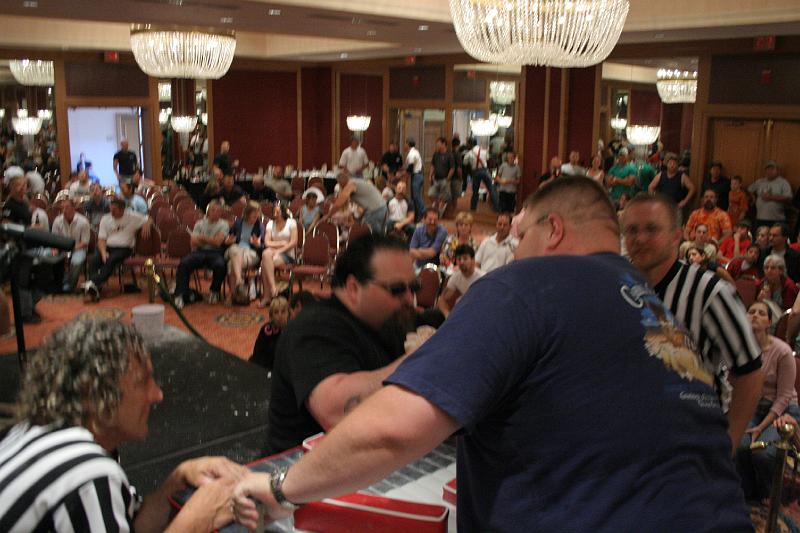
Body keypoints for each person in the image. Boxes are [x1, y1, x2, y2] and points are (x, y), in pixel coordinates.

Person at [233, 177, 753, 532]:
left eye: (520, 235)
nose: (514, 252)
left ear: (552, 230)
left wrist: (279, 488)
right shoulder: (651, 304)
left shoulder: (525, 285)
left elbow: (393, 429)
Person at [0, 319, 245, 532]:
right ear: (93, 393)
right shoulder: (85, 472)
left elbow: (133, 524)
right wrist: (197, 520)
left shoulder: (34, 432)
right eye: (142, 381)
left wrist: (175, 483)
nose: (157, 395)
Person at [622, 194, 762, 448]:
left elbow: (749, 372)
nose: (640, 239)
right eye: (632, 230)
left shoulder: (711, 292)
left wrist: (728, 445)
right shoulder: (618, 287)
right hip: (632, 437)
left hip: (690, 442)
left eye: (652, 229)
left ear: (677, 236)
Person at [265, 234, 417, 453]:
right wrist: (419, 359)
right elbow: (335, 412)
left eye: (414, 288)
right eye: (397, 289)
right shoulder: (314, 326)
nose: (409, 298)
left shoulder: (389, 319)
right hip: (299, 467)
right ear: (353, 288)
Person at [736, 301, 800, 501]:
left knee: (762, 453)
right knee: (740, 446)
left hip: (783, 410)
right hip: (754, 407)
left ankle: (768, 494)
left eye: (761, 313)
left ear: (769, 322)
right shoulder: (739, 349)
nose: (755, 315)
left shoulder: (782, 351)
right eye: (751, 311)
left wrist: (761, 427)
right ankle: (748, 494)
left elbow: (784, 396)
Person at [84, 199, 153, 302]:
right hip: (106, 246)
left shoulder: (133, 216)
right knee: (94, 260)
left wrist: (147, 224)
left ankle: (92, 284)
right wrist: (103, 253)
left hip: (124, 248)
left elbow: (150, 218)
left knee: (111, 260)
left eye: (114, 210)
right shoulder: (105, 219)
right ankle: (94, 288)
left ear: (122, 210)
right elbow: (101, 240)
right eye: (111, 209)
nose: (111, 212)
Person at [173, 200, 229, 308]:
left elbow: (218, 242)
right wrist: (211, 239)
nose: (216, 212)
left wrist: (202, 238)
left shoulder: (224, 224)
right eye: (213, 210)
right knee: (184, 263)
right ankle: (180, 294)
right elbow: (193, 242)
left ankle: (214, 291)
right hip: (199, 251)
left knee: (221, 265)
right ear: (208, 212)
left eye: (218, 211)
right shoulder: (199, 223)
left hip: (216, 252)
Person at [258, 202, 298, 308]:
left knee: (264, 263)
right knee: (266, 253)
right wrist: (281, 243)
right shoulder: (270, 223)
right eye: (274, 211)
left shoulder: (291, 222)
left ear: (283, 212)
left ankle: (267, 296)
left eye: (278, 211)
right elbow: (267, 242)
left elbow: (293, 242)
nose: (275, 214)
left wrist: (279, 250)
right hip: (272, 253)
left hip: (288, 254)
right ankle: (273, 288)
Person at [224, 202, 262, 301]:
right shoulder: (238, 223)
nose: (256, 215)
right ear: (247, 213)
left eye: (257, 212)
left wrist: (257, 244)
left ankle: (233, 295)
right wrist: (228, 241)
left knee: (231, 263)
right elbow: (229, 238)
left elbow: (263, 246)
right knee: (235, 249)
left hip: (250, 253)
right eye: (254, 213)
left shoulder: (259, 226)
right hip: (234, 250)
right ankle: (239, 280)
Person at [328, 170, 387, 235]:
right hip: (382, 208)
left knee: (365, 232)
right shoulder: (357, 183)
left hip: (375, 210)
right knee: (377, 233)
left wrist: (328, 215)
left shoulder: (350, 184)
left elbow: (339, 203)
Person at [52, 198, 91, 293]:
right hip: (62, 248)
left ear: (73, 208)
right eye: (62, 208)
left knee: (76, 262)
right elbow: (54, 239)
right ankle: (57, 284)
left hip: (79, 248)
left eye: (67, 207)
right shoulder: (57, 221)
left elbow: (85, 242)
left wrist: (71, 250)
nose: (64, 210)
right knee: (50, 257)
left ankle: (70, 286)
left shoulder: (83, 221)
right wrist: (55, 250)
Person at [437, 244, 483, 317]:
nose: (461, 262)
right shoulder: (455, 277)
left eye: (465, 258)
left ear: (473, 260)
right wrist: (447, 315)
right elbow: (441, 300)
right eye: (459, 259)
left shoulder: (482, 278)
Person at [647, 152, 695, 221]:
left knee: (676, 225)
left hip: (676, 208)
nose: (672, 165)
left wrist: (684, 202)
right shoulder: (661, 174)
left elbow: (692, 188)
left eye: (674, 163)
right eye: (670, 163)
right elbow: (650, 187)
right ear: (666, 164)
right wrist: (654, 199)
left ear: (677, 164)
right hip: (662, 207)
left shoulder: (682, 176)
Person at [748, 160, 791, 229]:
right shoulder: (760, 181)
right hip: (760, 218)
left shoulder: (783, 182)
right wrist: (753, 198)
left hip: (776, 219)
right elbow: (749, 189)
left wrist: (771, 197)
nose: (769, 171)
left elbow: (788, 198)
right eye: (767, 169)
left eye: (772, 169)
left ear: (777, 170)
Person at [250, 296, 290, 370]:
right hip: (266, 366)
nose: (280, 316)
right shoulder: (266, 330)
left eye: (283, 312)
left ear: (288, 313)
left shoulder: (292, 329)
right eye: (276, 312)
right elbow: (258, 353)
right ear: (271, 316)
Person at [439, 211, 476, 276]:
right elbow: (443, 256)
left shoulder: (473, 244)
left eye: (466, 225)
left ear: (470, 227)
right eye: (461, 225)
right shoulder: (450, 239)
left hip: (465, 272)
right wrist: (451, 267)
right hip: (447, 270)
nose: (463, 227)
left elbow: (474, 262)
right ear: (457, 227)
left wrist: (460, 267)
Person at [464, 138, 497, 212]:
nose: (466, 145)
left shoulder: (469, 153)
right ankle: (496, 208)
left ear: (470, 144)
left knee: (475, 192)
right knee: (491, 189)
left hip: (476, 172)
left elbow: (465, 162)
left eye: (467, 144)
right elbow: (488, 159)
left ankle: (473, 208)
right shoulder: (484, 151)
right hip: (485, 170)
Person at [428, 136, 454, 205]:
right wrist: (430, 175)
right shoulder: (436, 154)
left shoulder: (449, 155)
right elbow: (432, 165)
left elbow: (452, 168)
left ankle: (441, 210)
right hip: (435, 179)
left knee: (443, 197)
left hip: (444, 179)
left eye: (438, 143)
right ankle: (437, 205)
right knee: (430, 194)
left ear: (444, 144)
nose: (437, 145)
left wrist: (447, 179)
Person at [404, 137, 424, 222]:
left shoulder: (412, 153)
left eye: (405, 143)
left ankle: (423, 213)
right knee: (414, 197)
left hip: (416, 176)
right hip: (416, 176)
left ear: (408, 144)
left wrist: (404, 177)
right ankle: (417, 217)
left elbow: (410, 168)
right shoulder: (414, 152)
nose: (404, 145)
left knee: (416, 197)